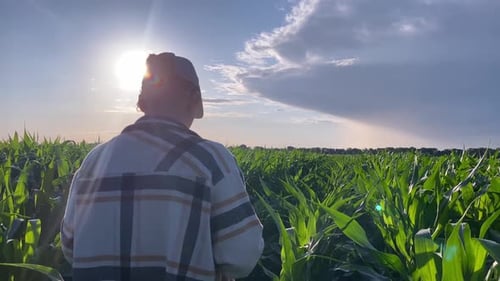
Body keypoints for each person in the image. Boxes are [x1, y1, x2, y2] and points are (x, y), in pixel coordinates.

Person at [60, 52, 264, 281]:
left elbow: (70, 247)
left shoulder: (95, 161)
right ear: (193, 98)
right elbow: (242, 254)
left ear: (142, 102)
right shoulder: (211, 160)